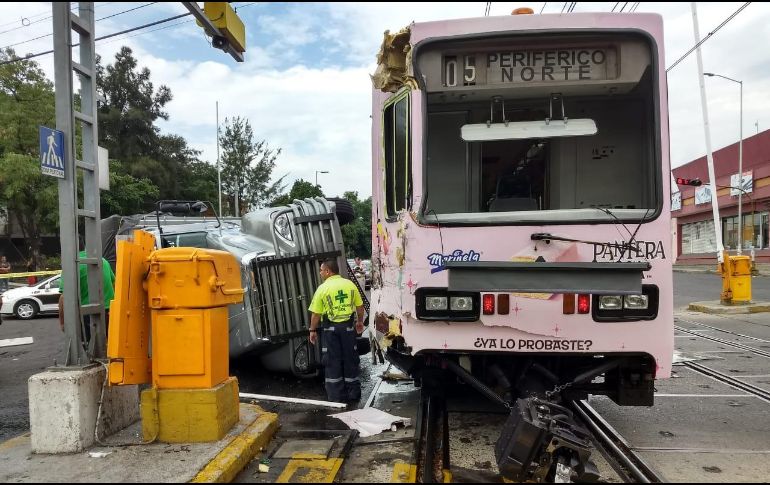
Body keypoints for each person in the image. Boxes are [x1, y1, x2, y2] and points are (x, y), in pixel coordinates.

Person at [308, 258, 365, 404]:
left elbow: (316, 314)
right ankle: (353, 393)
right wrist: (359, 321)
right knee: (350, 359)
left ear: (328, 271)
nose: (320, 273)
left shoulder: (323, 288)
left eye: (321, 270)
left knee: (332, 361)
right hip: (348, 329)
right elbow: (359, 306)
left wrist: (312, 330)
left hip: (331, 330)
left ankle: (336, 396)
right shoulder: (350, 285)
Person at [58, 248, 116, 345]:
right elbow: (114, 284)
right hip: (110, 312)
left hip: (87, 314)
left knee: (89, 347)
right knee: (108, 346)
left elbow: (64, 297)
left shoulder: (72, 265)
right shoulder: (103, 261)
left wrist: (63, 323)